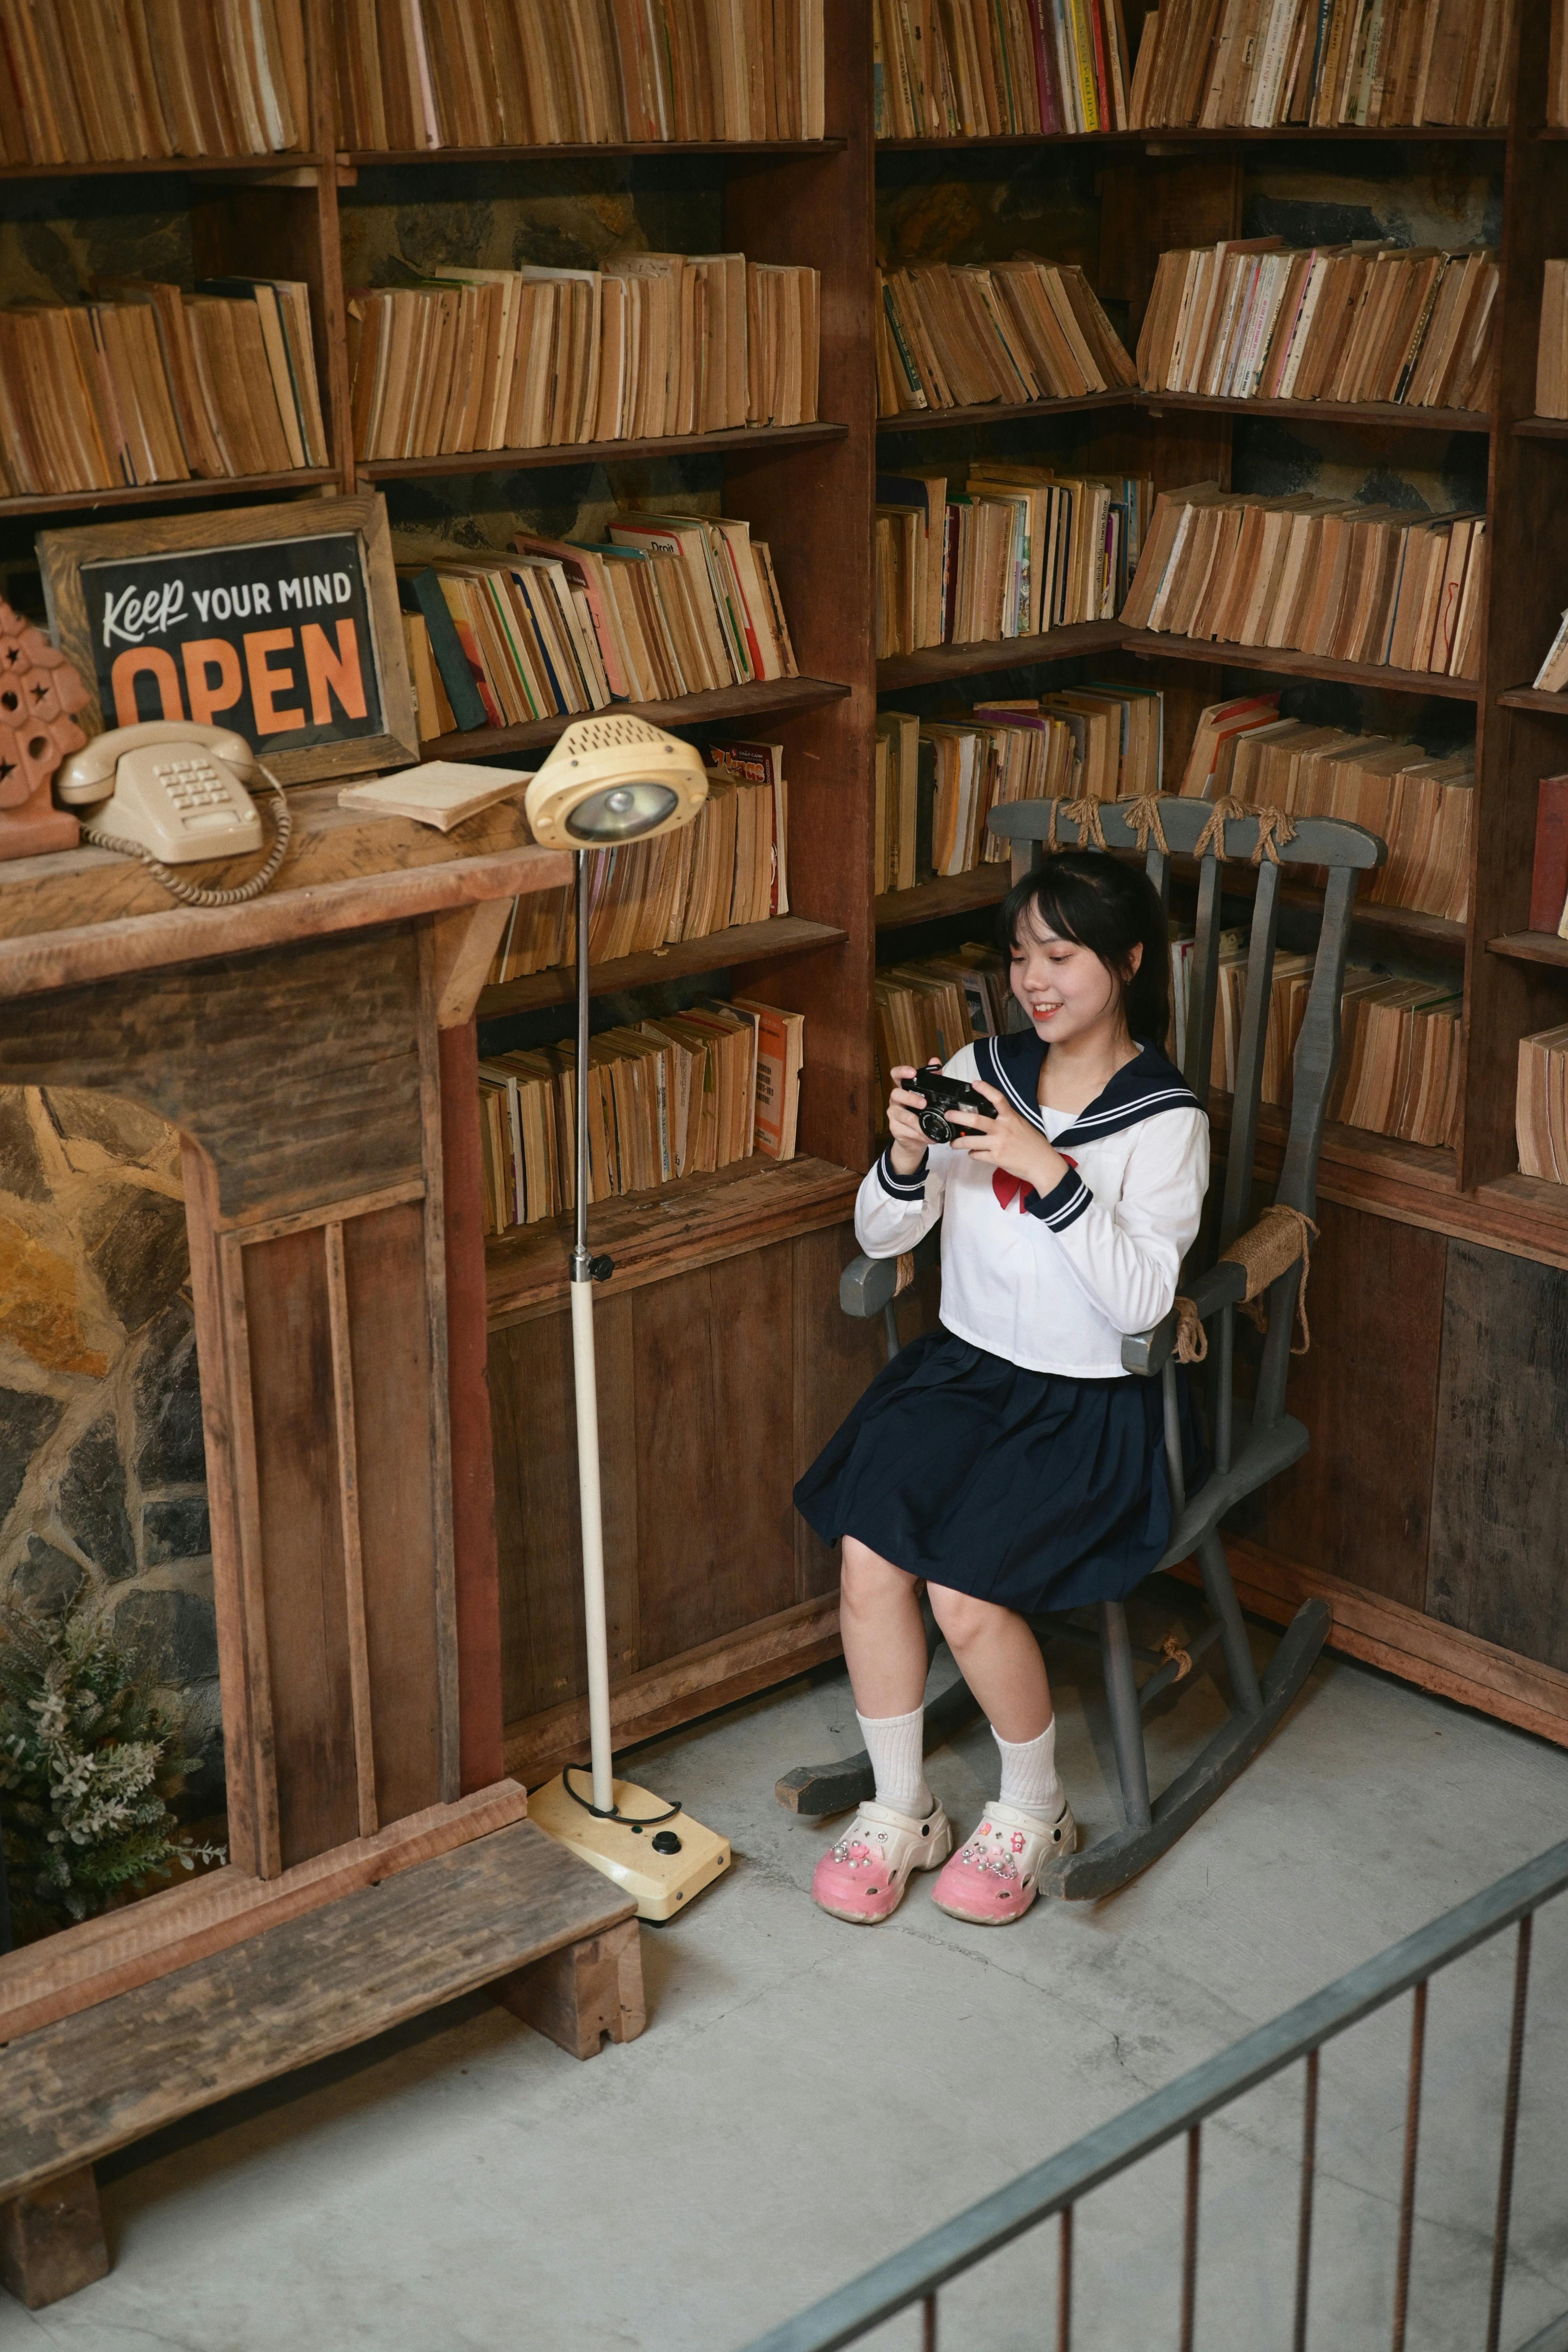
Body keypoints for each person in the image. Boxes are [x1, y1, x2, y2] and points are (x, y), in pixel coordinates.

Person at [794, 848, 1209, 1927]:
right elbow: (885, 1235)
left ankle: (1035, 1810)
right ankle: (902, 1809)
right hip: (963, 1373)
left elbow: (1139, 1307)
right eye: (1022, 955)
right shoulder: (980, 1068)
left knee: (968, 1596)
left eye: (1062, 956)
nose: (1035, 980)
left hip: (1085, 1402)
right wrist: (901, 1160)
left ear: (1127, 962)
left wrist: (1047, 1167)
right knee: (871, 1553)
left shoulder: (1166, 1123)